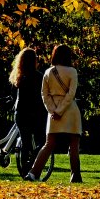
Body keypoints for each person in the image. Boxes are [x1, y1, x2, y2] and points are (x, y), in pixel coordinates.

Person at [24, 44, 83, 183]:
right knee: (74, 144)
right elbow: (71, 94)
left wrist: (53, 111)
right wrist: (61, 110)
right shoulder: (72, 72)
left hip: (53, 111)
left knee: (49, 144)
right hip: (70, 110)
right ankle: (75, 175)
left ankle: (33, 173)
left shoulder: (48, 72)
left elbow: (44, 95)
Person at [9, 47, 47, 177]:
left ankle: (25, 169)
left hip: (20, 113)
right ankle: (31, 165)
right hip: (35, 114)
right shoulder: (39, 77)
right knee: (41, 141)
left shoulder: (19, 77)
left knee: (25, 143)